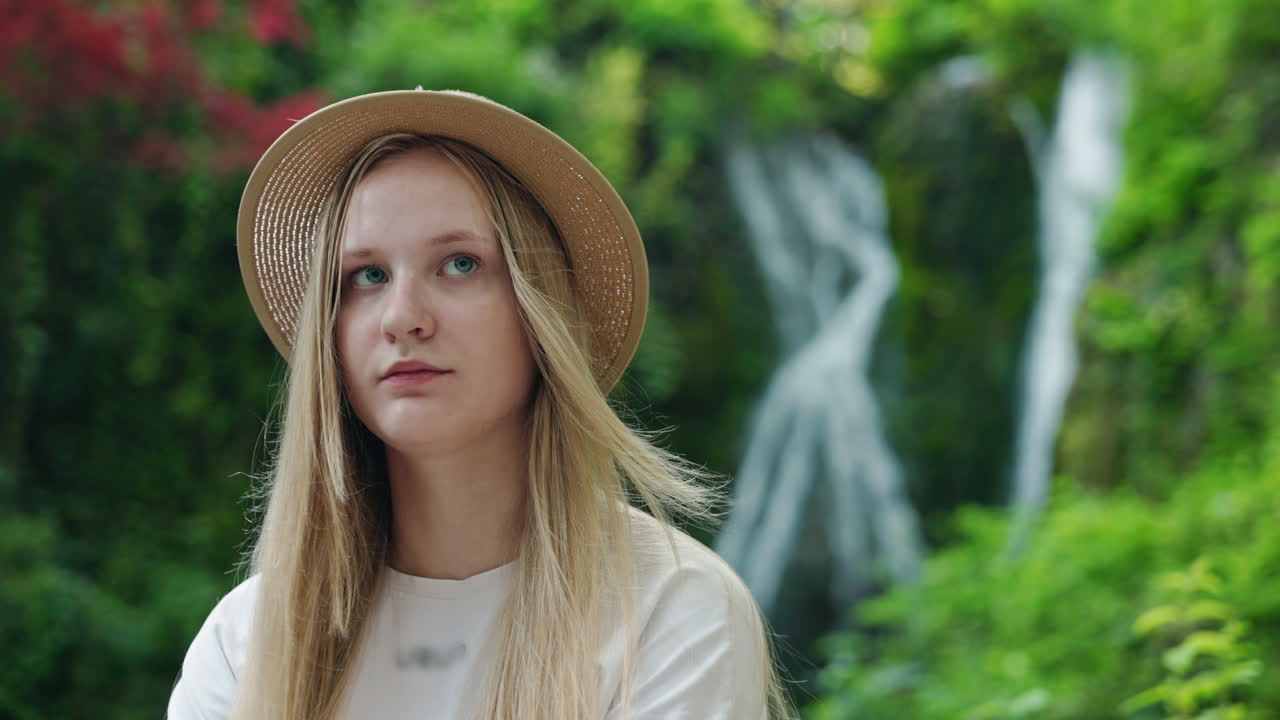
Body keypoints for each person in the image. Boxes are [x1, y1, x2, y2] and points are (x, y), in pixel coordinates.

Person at [167, 89, 792, 720]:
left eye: (460, 264)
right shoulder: (244, 643)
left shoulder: (669, 609)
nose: (402, 317)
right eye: (367, 276)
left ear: (541, 312)